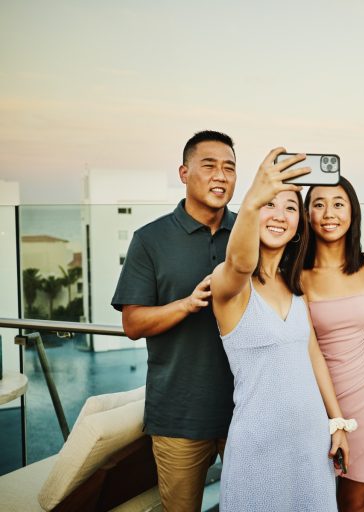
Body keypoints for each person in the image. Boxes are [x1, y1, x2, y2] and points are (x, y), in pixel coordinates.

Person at [211, 148, 353, 511]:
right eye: (269, 206)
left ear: (298, 226)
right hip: (258, 447)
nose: (279, 216)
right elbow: (240, 260)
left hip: (310, 443)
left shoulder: (295, 287)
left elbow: (313, 355)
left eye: (290, 207)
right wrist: (253, 196)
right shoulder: (231, 285)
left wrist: (336, 422)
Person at [111, 130, 237, 511]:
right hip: (178, 417)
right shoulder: (150, 239)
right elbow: (132, 324)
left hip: (246, 410)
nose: (221, 176)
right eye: (209, 166)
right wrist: (186, 304)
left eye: (230, 168)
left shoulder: (251, 235)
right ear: (184, 173)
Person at [302, 177, 364, 511]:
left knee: (355, 505)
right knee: (312, 501)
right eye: (318, 204)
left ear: (352, 211)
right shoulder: (295, 273)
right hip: (311, 405)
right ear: (307, 214)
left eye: (338, 203)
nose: (328, 213)